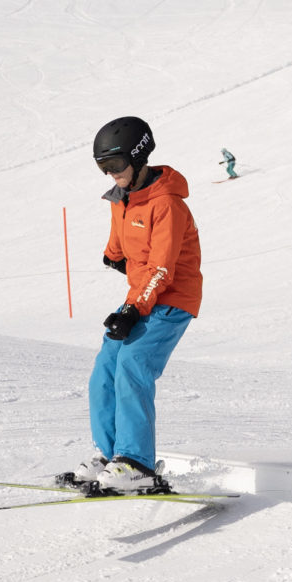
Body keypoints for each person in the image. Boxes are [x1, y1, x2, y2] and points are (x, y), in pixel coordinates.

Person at [57, 116, 201, 495]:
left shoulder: (167, 205)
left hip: (171, 298)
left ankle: (137, 463)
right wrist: (113, 257)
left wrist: (134, 309)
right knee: (104, 371)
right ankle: (111, 456)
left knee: (133, 365)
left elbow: (162, 269)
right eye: (103, 167)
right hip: (141, 296)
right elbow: (119, 246)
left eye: (116, 165)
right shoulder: (121, 200)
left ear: (139, 157)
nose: (111, 174)